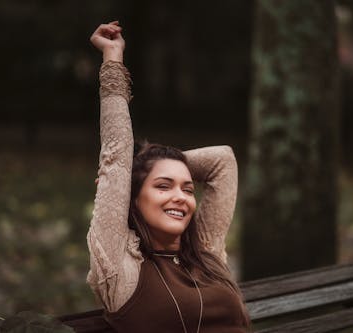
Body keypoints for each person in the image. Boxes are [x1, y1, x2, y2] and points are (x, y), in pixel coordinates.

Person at [86, 21, 250, 332]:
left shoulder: (204, 252)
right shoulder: (122, 268)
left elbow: (222, 160)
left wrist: (152, 164)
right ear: (132, 198)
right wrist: (123, 179)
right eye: (163, 186)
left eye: (189, 189)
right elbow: (116, 155)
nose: (181, 197)